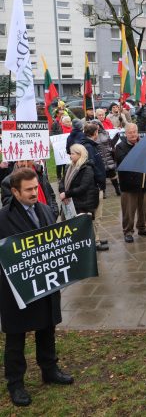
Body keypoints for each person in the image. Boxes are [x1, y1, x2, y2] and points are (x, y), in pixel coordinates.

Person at [0, 168, 73, 407]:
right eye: (29, 189)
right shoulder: (3, 218)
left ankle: (49, 369)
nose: (34, 192)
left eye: (36, 188)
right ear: (15, 191)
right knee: (16, 338)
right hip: (16, 291)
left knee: (46, 328)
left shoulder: (44, 209)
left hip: (45, 284)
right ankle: (16, 384)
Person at [115, 123, 146, 243]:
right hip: (129, 185)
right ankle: (128, 231)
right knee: (128, 211)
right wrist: (137, 150)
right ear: (126, 134)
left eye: (134, 132)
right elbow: (124, 161)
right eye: (130, 132)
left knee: (143, 209)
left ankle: (142, 227)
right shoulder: (120, 147)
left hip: (145, 182)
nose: (133, 134)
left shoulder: (144, 144)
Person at [81, 123, 108, 251]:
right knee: (97, 214)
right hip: (95, 186)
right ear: (95, 133)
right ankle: (95, 241)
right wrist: (100, 180)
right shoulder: (89, 147)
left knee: (96, 214)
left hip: (94, 185)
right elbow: (92, 167)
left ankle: (95, 237)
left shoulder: (88, 145)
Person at [59, 144, 100, 221]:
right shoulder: (69, 167)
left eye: (72, 154)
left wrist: (66, 194)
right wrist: (62, 192)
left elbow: (83, 188)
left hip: (82, 205)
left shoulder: (87, 168)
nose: (70, 156)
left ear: (80, 154)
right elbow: (62, 182)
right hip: (69, 204)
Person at [94, 120, 121, 198]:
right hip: (99, 158)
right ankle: (103, 193)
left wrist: (117, 136)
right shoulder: (91, 135)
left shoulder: (105, 133)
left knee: (113, 175)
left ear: (99, 125)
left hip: (108, 156)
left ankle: (117, 190)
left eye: (97, 124)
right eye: (94, 124)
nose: (96, 126)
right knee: (102, 177)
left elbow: (111, 144)